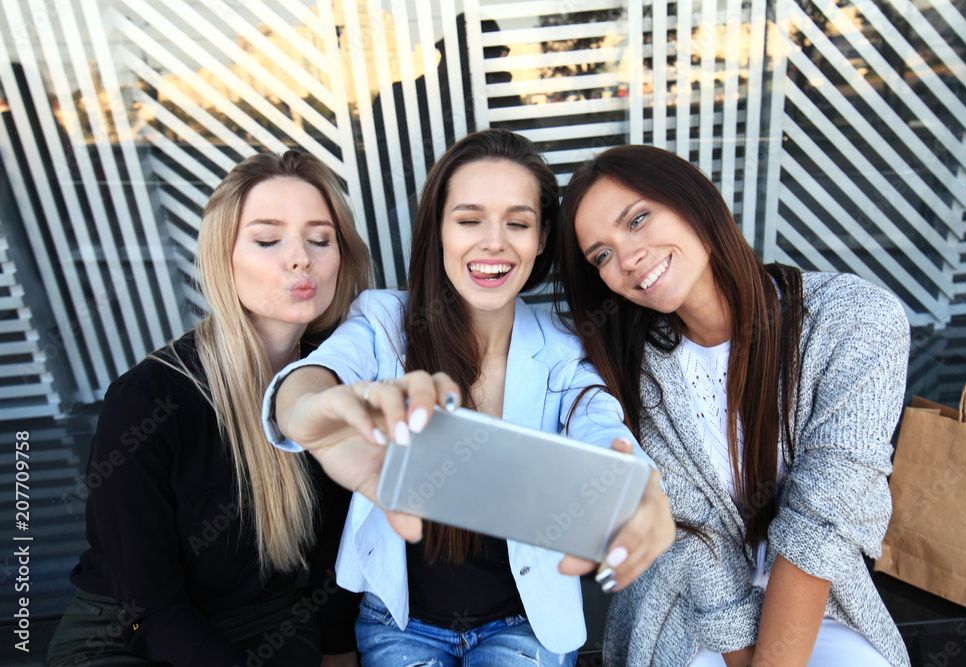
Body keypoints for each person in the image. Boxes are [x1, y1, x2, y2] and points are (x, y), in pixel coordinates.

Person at [262, 129, 676, 666]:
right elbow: (320, 375)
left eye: (518, 223)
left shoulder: (565, 345)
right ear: (438, 228)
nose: (494, 242)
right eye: (469, 219)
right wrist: (308, 411)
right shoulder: (386, 320)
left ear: (543, 236)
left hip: (524, 627)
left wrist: (633, 485)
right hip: (400, 623)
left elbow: (600, 423)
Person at [555, 144, 911, 667]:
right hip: (688, 612)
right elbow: (695, 543)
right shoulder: (635, 369)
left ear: (694, 199)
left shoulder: (854, 321)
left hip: (824, 599)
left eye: (638, 219)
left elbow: (822, 525)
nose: (627, 258)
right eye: (602, 255)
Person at [47, 150, 372, 666]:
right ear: (223, 259)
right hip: (133, 636)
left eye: (320, 239)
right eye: (268, 239)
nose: (300, 258)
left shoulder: (341, 378)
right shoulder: (149, 400)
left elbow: (334, 551)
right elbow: (147, 608)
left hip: (275, 627)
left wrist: (339, 651)